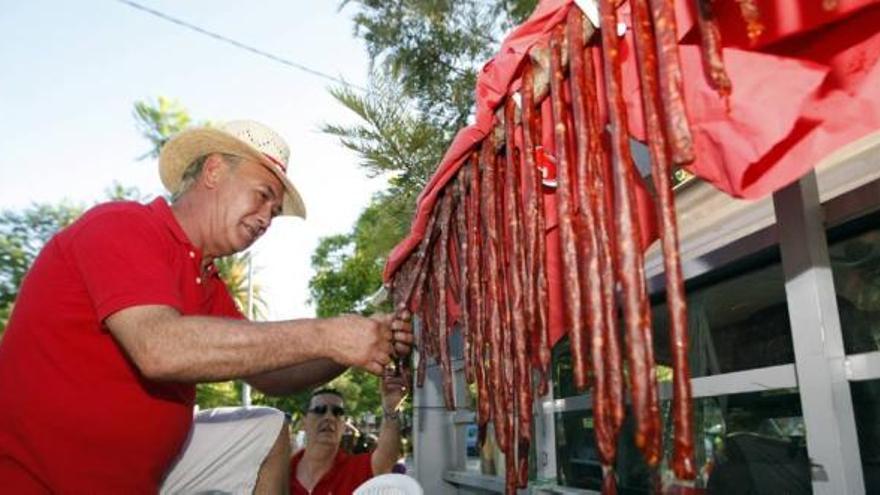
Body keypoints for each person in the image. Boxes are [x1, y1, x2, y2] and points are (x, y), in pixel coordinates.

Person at [0, 120, 413, 494]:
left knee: (268, 430)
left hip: (141, 476)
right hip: (40, 478)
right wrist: (327, 333)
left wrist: (356, 346)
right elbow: (160, 348)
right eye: (263, 195)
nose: (267, 218)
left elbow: (272, 372)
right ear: (213, 171)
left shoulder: (207, 281)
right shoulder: (122, 225)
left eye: (274, 210)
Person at [290, 373, 407, 495]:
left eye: (337, 412)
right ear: (304, 422)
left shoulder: (356, 468)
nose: (329, 417)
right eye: (320, 410)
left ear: (344, 425)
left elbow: (387, 458)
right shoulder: (281, 472)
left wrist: (391, 407)